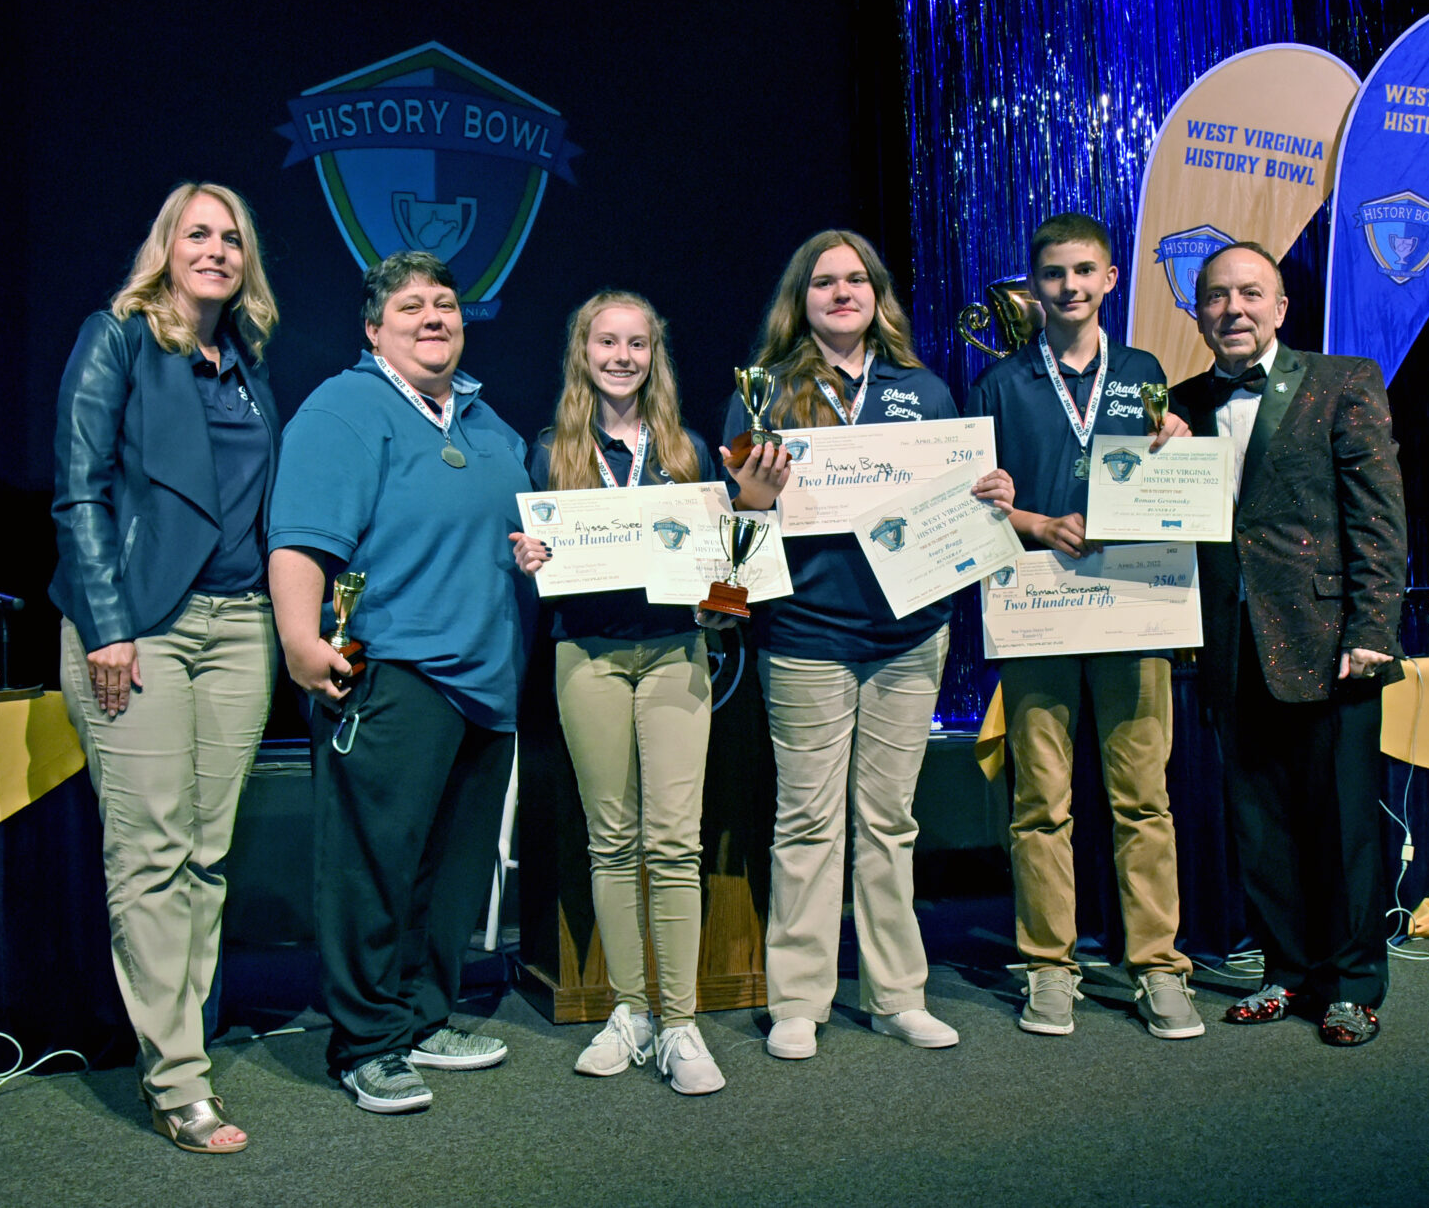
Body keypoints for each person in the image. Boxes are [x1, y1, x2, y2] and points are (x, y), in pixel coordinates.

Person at [722, 229, 1014, 1060]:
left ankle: (897, 996)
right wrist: (750, 499)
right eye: (824, 282)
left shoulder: (923, 390)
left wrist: (990, 491)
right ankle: (797, 1001)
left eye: (857, 280)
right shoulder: (765, 391)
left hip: (909, 635)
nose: (842, 293)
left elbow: (959, 501)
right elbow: (735, 531)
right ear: (801, 298)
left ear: (878, 295)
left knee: (889, 822)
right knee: (807, 821)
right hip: (806, 633)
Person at [267, 251, 531, 1112]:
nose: (433, 317)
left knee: (448, 873)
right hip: (394, 673)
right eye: (411, 306)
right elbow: (300, 538)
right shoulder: (343, 409)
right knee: (372, 869)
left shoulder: (491, 425)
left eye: (445, 303)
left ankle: (421, 1017)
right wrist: (300, 640)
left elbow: (516, 536)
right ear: (373, 328)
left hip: (486, 681)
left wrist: (534, 551)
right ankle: (366, 1042)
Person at [49, 181, 281, 1154]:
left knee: (205, 854)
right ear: (166, 247)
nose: (217, 249)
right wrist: (108, 624)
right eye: (198, 233)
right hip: (141, 626)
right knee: (150, 853)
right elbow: (79, 488)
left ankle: (180, 1046)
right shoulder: (117, 338)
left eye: (232, 237)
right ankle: (178, 1079)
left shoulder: (247, 365)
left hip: (241, 628)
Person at [964, 212, 1202, 1041]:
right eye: (1053, 274)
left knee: (1143, 798)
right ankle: (1048, 965)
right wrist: (1034, 520)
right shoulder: (999, 384)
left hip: (1133, 606)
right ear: (1034, 287)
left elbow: (1168, 488)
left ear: (1109, 279)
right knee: (1041, 801)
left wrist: (1176, 444)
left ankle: (1158, 966)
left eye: (1083, 271)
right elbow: (973, 505)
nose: (1069, 286)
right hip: (1039, 608)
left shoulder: (1142, 373)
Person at [1172, 241, 1406, 1047]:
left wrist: (1372, 630)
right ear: (1197, 313)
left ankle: (1353, 985)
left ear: (1279, 307)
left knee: (1343, 824)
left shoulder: (1342, 381)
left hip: (1330, 638)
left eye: (1249, 293)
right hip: (1229, 646)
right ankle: (1287, 970)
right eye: (1216, 296)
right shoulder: (1180, 404)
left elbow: (1378, 515)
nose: (1232, 308)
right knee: (1258, 823)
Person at [509, 291, 728, 1095]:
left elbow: (724, 557)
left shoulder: (687, 447)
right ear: (583, 351)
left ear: (654, 354)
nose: (622, 357)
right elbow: (535, 555)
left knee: (674, 842)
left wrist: (725, 608)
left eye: (637, 343)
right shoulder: (550, 452)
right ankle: (630, 1011)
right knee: (611, 841)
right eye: (607, 342)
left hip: (674, 651)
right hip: (587, 656)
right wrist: (529, 559)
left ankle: (681, 1022)